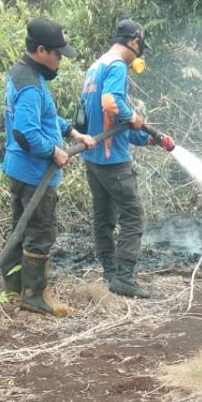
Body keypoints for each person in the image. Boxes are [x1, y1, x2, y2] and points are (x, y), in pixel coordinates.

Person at [2, 18, 95, 316]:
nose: (60, 60)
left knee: (19, 231)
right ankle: (34, 297)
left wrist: (71, 132)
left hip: (19, 169)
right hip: (34, 174)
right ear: (41, 50)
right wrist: (54, 150)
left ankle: (13, 291)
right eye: (58, 54)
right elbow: (26, 132)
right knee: (40, 233)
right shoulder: (30, 84)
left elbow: (45, 116)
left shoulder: (21, 73)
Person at [80, 19, 175, 299]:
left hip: (93, 157)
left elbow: (110, 124)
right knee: (134, 215)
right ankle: (124, 277)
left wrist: (150, 138)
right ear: (135, 42)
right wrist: (133, 116)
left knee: (103, 217)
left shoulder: (96, 66)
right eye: (140, 46)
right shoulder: (117, 66)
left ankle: (110, 273)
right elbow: (111, 104)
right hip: (113, 161)